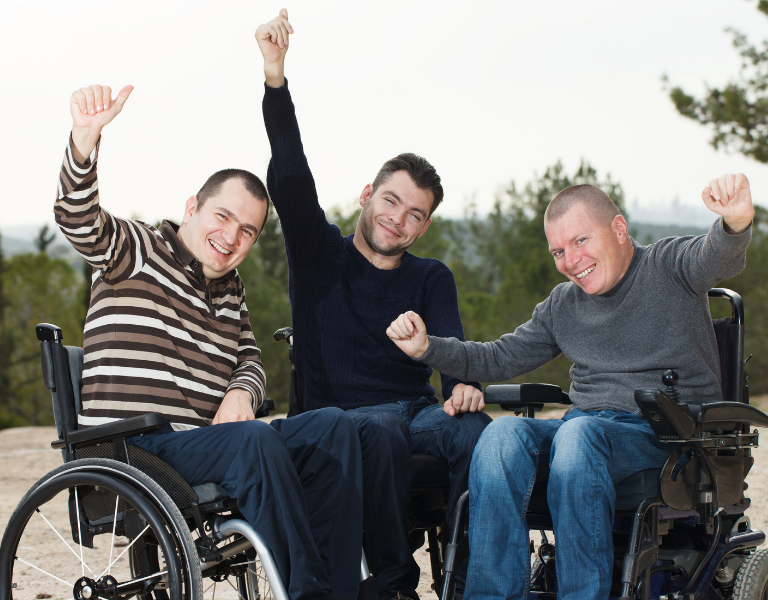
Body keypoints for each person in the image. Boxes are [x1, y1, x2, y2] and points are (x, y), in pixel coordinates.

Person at [56, 83, 363, 600]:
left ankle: (341, 589)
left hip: (198, 446)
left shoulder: (229, 289)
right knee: (256, 441)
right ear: (193, 206)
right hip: (133, 450)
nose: (232, 237)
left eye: (248, 230)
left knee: (334, 427)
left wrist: (241, 392)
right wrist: (84, 142)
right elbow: (81, 221)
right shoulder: (139, 249)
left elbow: (249, 355)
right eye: (223, 216)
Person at [387, 176, 754, 600]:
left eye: (580, 240)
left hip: (669, 437)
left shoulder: (669, 266)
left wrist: (736, 220)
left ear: (619, 229)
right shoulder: (564, 304)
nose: (571, 261)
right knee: (502, 434)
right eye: (559, 251)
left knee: (579, 436)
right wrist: (427, 347)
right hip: (586, 433)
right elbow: (496, 357)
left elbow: (717, 257)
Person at [255, 10, 492, 600]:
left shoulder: (433, 277)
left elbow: (453, 350)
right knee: (381, 430)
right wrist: (275, 78)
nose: (398, 218)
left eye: (415, 213)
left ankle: (464, 584)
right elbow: (290, 174)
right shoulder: (318, 255)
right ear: (367, 195)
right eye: (390, 200)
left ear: (426, 225)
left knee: (477, 433)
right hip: (336, 420)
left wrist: (462, 386)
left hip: (413, 414)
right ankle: (392, 586)